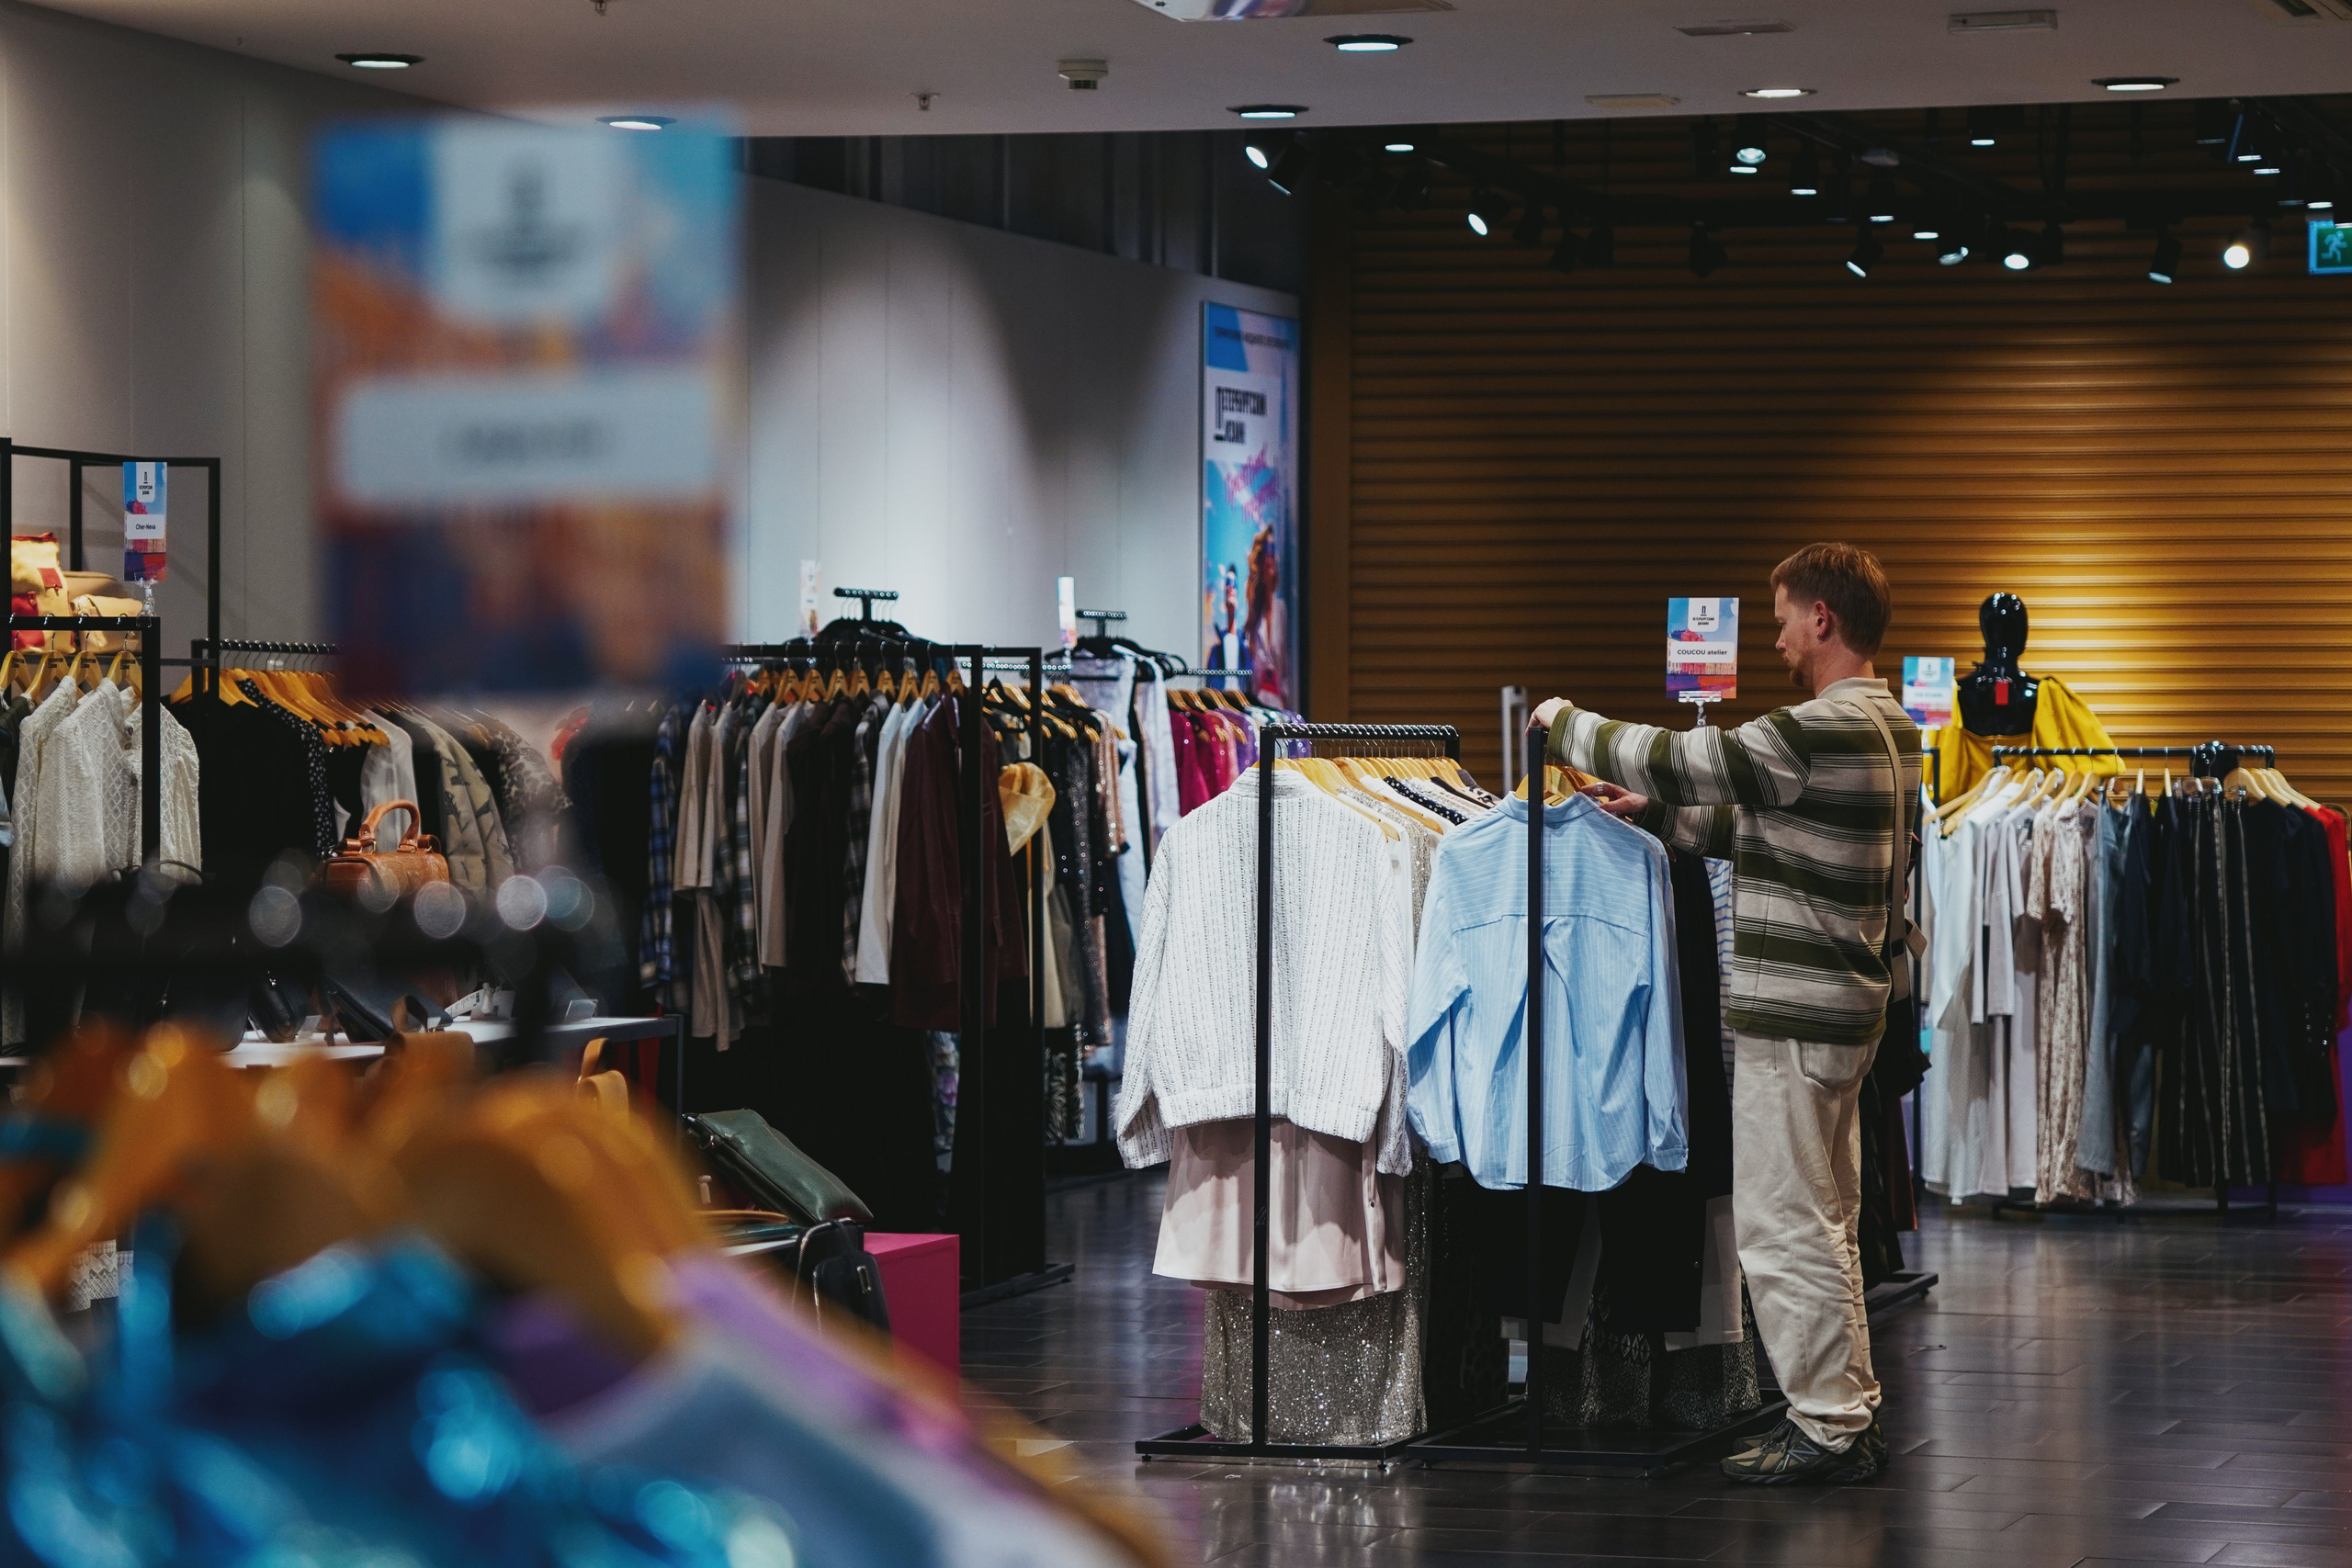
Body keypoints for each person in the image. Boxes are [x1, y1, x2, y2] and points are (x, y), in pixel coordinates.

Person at [1532, 541, 1918, 1486]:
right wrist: (1653, 817)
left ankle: (1826, 1426)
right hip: (1841, 1014)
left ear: (1821, 618)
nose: (1777, 632)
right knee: (1824, 1216)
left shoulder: (1814, 728)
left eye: (1783, 613)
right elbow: (1766, 831)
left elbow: (1690, 758)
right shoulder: (1888, 725)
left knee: (1784, 1225)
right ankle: (1846, 1407)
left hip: (1795, 1019)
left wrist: (1564, 721)